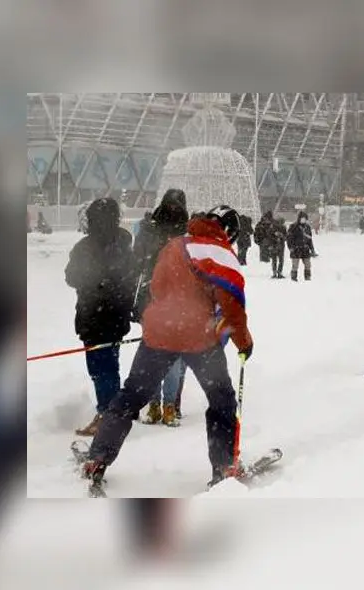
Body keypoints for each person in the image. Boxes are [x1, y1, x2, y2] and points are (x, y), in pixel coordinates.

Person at [80, 206, 254, 488]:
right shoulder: (220, 254)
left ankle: (98, 457)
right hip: (200, 341)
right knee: (221, 401)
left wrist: (167, 319)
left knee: (130, 398)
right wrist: (244, 342)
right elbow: (233, 309)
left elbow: (157, 287)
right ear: (230, 231)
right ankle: (224, 466)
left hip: (159, 336)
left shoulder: (176, 244)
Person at [65, 198, 137, 436]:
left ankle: (108, 415)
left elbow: (71, 277)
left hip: (93, 316)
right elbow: (131, 279)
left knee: (99, 368)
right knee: (110, 366)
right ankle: (112, 413)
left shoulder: (85, 247)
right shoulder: (125, 246)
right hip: (116, 317)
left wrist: (95, 285)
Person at [132, 188, 190, 425]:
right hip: (167, 298)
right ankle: (162, 405)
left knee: (162, 354)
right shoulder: (185, 234)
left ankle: (164, 405)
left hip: (166, 298)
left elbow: (137, 261)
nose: (173, 210)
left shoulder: (153, 229)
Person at [287, 211, 315, 281]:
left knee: (308, 264)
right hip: (296, 249)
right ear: (299, 218)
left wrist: (312, 249)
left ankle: (308, 277)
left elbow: (309, 239)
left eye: (305, 218)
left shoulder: (307, 227)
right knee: (295, 265)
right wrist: (291, 247)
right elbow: (289, 238)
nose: (303, 220)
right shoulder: (293, 226)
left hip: (305, 249)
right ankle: (294, 278)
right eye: (302, 218)